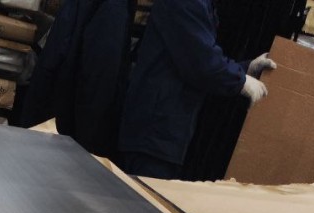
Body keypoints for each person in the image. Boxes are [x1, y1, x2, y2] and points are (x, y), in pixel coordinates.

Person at [117, 0, 275, 178]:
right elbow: (202, 62)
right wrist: (240, 81)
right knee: (145, 193)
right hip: (154, 131)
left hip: (163, 130)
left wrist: (246, 68)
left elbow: (199, 55)